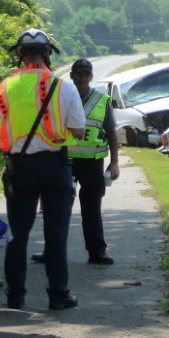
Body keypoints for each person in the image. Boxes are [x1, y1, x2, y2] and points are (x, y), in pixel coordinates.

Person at [0, 29, 86, 310]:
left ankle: (15, 295)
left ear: (20, 55)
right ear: (48, 53)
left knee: (18, 234)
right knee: (56, 233)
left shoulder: (4, 88)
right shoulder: (64, 86)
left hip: (19, 168)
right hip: (56, 166)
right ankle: (58, 294)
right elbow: (79, 130)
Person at [31, 59, 119, 266]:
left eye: (86, 74)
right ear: (71, 76)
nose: (82, 78)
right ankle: (50, 251)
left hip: (93, 163)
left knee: (92, 210)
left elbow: (112, 133)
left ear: (91, 76)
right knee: (57, 210)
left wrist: (114, 162)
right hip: (64, 161)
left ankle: (97, 253)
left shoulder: (101, 100)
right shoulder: (61, 97)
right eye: (78, 74)